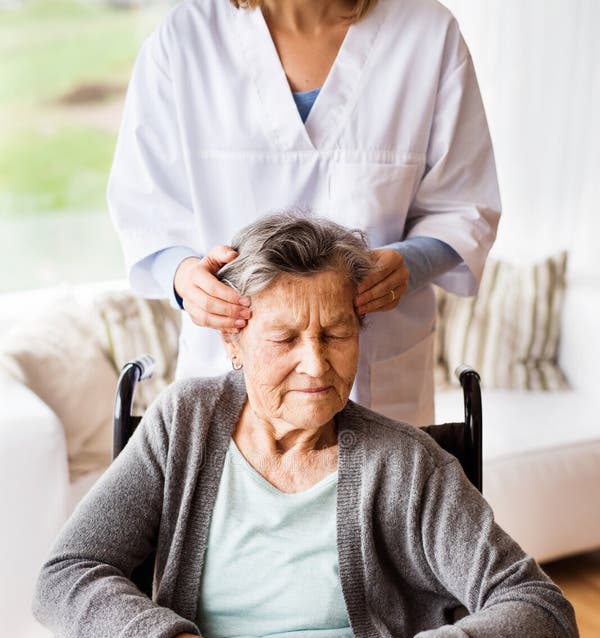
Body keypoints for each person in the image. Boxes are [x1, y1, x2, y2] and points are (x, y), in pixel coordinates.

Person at [34, 214, 578, 638]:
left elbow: (545, 618)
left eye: (336, 334)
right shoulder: (184, 426)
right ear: (234, 339)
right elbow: (65, 576)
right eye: (285, 338)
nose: (316, 365)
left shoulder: (407, 464)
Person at [106, 0, 501, 425]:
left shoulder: (427, 33)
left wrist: (412, 262)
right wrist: (184, 277)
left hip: (378, 381)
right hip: (228, 379)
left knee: (386, 487)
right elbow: (146, 209)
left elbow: (463, 204)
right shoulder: (184, 40)